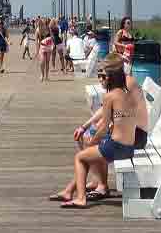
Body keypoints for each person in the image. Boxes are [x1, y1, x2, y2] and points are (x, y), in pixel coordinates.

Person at [57, 58, 140, 208]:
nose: (101, 79)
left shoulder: (110, 96)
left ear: (110, 78)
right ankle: (70, 191)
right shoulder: (126, 93)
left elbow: (102, 129)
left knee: (80, 158)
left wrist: (93, 141)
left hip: (117, 146)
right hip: (129, 146)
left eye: (103, 76)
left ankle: (81, 198)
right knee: (90, 154)